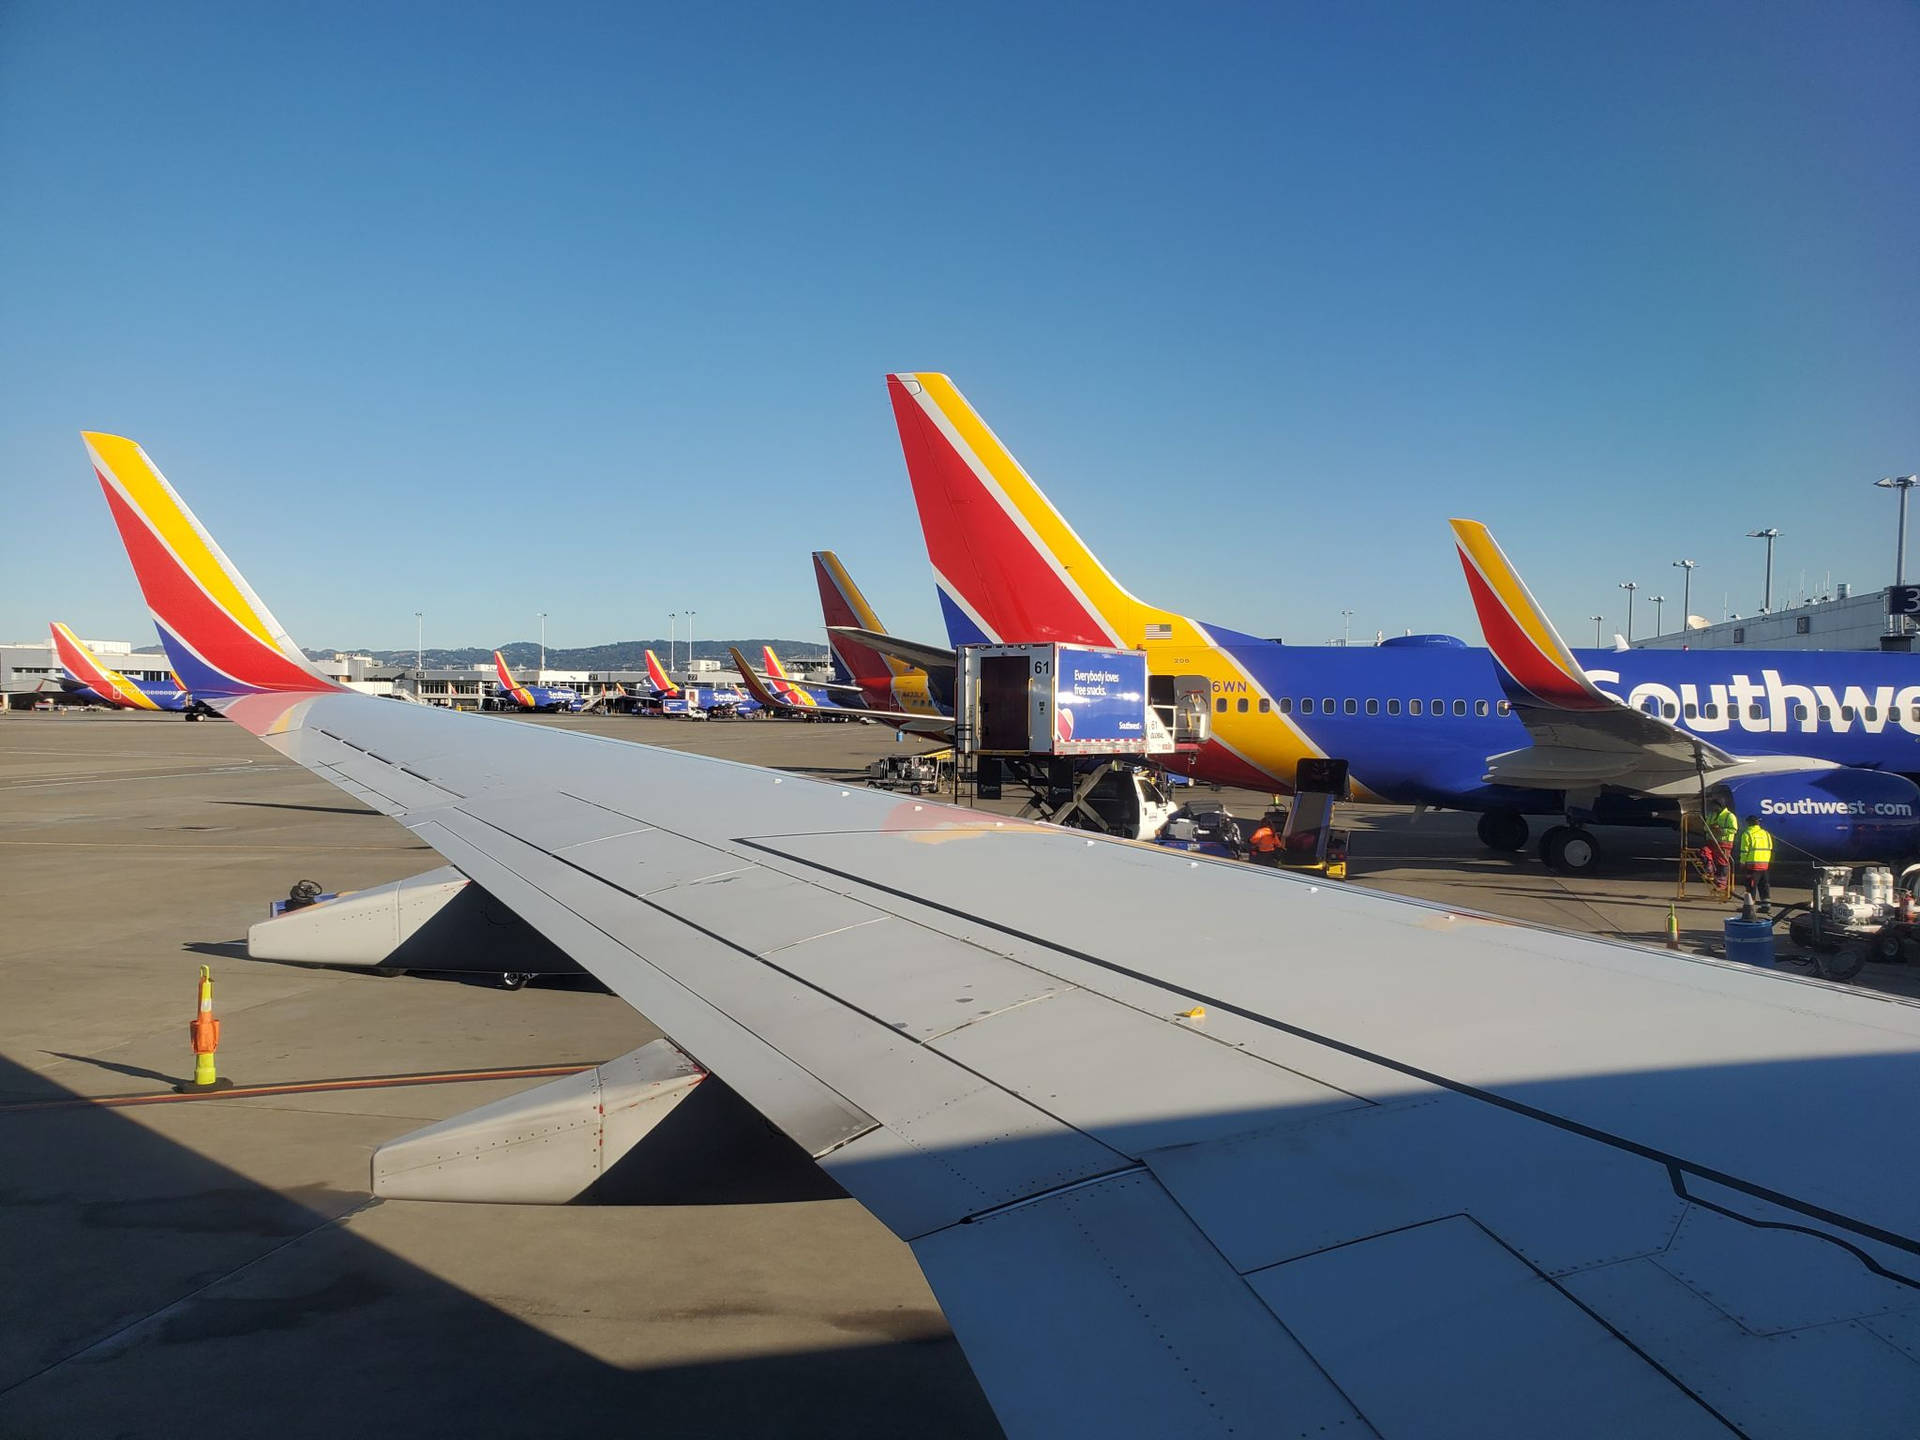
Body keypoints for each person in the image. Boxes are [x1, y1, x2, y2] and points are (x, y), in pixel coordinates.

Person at [1736, 813, 1774, 914]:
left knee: (1751, 886)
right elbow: (1770, 847)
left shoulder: (1747, 833)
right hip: (1764, 864)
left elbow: (1744, 850)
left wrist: (1742, 862)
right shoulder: (1766, 833)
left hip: (1753, 865)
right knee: (1764, 885)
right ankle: (1766, 907)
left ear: (1748, 823)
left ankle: (1749, 907)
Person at [1703, 798, 1736, 890]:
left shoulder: (1729, 816)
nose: (1713, 808)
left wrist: (1721, 830)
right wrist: (1711, 827)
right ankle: (1710, 869)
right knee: (1704, 852)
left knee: (1722, 862)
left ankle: (1721, 884)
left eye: (1714, 806)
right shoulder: (1711, 815)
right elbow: (1705, 827)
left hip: (1724, 842)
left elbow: (1733, 829)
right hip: (1712, 841)